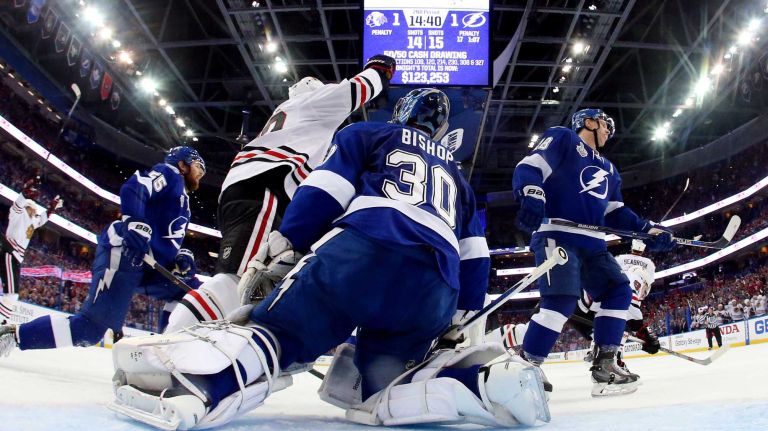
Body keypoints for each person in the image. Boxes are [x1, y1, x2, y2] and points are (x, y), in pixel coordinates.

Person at [109, 89, 551, 429]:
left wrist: (288, 243)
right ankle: (477, 382)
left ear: (401, 115)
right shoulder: (459, 178)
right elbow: (475, 255)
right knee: (382, 379)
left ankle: (202, 389)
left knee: (278, 333)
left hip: (362, 252)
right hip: (434, 286)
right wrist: (462, 313)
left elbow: (325, 191)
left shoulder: (368, 133)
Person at [163, 54, 397, 332]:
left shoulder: (294, 119)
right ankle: (171, 342)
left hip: (247, 188)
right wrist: (380, 70)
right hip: (265, 189)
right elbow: (359, 89)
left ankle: (216, 348)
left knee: (247, 280)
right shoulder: (315, 103)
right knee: (237, 279)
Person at [511, 108, 675, 396]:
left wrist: (649, 231)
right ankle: (527, 367)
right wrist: (532, 193)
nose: (608, 131)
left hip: (593, 242)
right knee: (561, 300)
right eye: (604, 125)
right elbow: (529, 167)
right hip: (557, 233)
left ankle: (605, 366)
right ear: (588, 122)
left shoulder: (610, 169)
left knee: (618, 291)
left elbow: (616, 213)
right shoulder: (563, 138)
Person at [0, 147, 206, 356]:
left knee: (193, 293)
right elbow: (135, 188)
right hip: (126, 254)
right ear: (182, 164)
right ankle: (11, 335)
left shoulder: (182, 197)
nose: (201, 173)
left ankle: (165, 353)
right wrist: (134, 222)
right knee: (89, 330)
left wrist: (179, 256)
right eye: (199, 167)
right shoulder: (170, 174)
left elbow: (165, 235)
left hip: (149, 265)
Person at [489, 239, 661, 381]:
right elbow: (635, 321)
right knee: (613, 328)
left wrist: (646, 337)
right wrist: (649, 340)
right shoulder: (633, 281)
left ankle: (488, 342)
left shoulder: (621, 268)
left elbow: (635, 322)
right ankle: (604, 368)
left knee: (533, 330)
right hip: (574, 301)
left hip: (578, 301)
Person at [0, 175, 62, 322]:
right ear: (28, 208)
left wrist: (51, 208)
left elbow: (42, 219)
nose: (35, 212)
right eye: (33, 209)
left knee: (12, 295)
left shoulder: (33, 221)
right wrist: (25, 192)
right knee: (11, 295)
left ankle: (3, 320)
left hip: (15, 257)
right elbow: (17, 205)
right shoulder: (18, 214)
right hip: (9, 252)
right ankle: (2, 320)